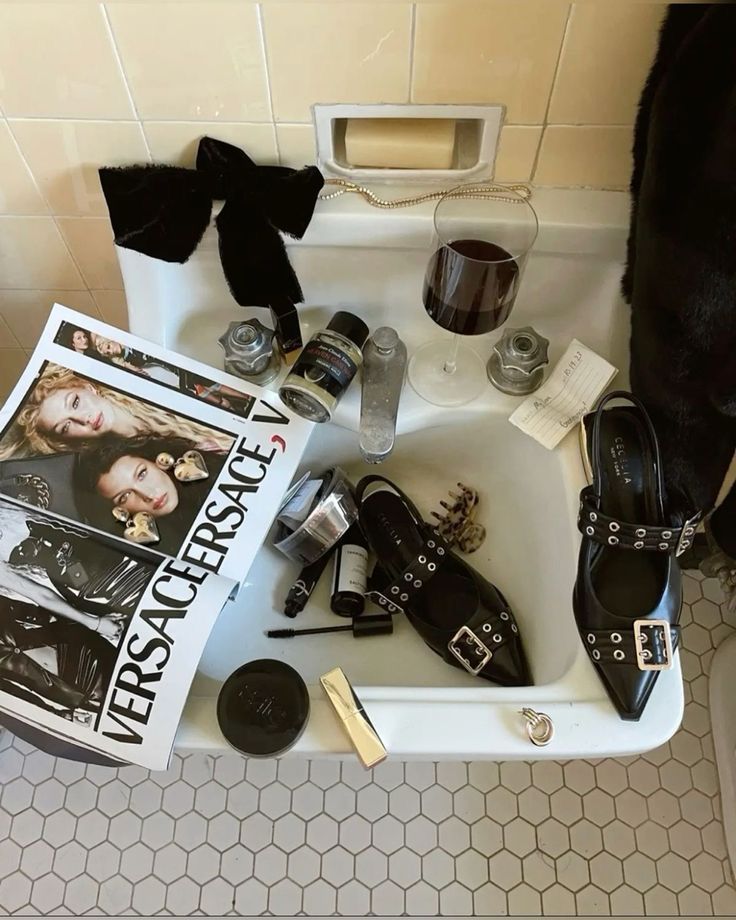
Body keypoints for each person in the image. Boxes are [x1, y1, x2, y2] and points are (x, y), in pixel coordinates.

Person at [0, 364, 233, 459]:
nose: (83, 419)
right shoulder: (126, 467)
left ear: (87, 386)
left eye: (75, 403)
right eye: (66, 426)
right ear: (67, 441)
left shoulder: (155, 378)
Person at [74, 436, 227, 555]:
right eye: (125, 496)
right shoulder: (158, 549)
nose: (147, 494)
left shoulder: (211, 460)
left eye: (142, 474)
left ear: (155, 461)